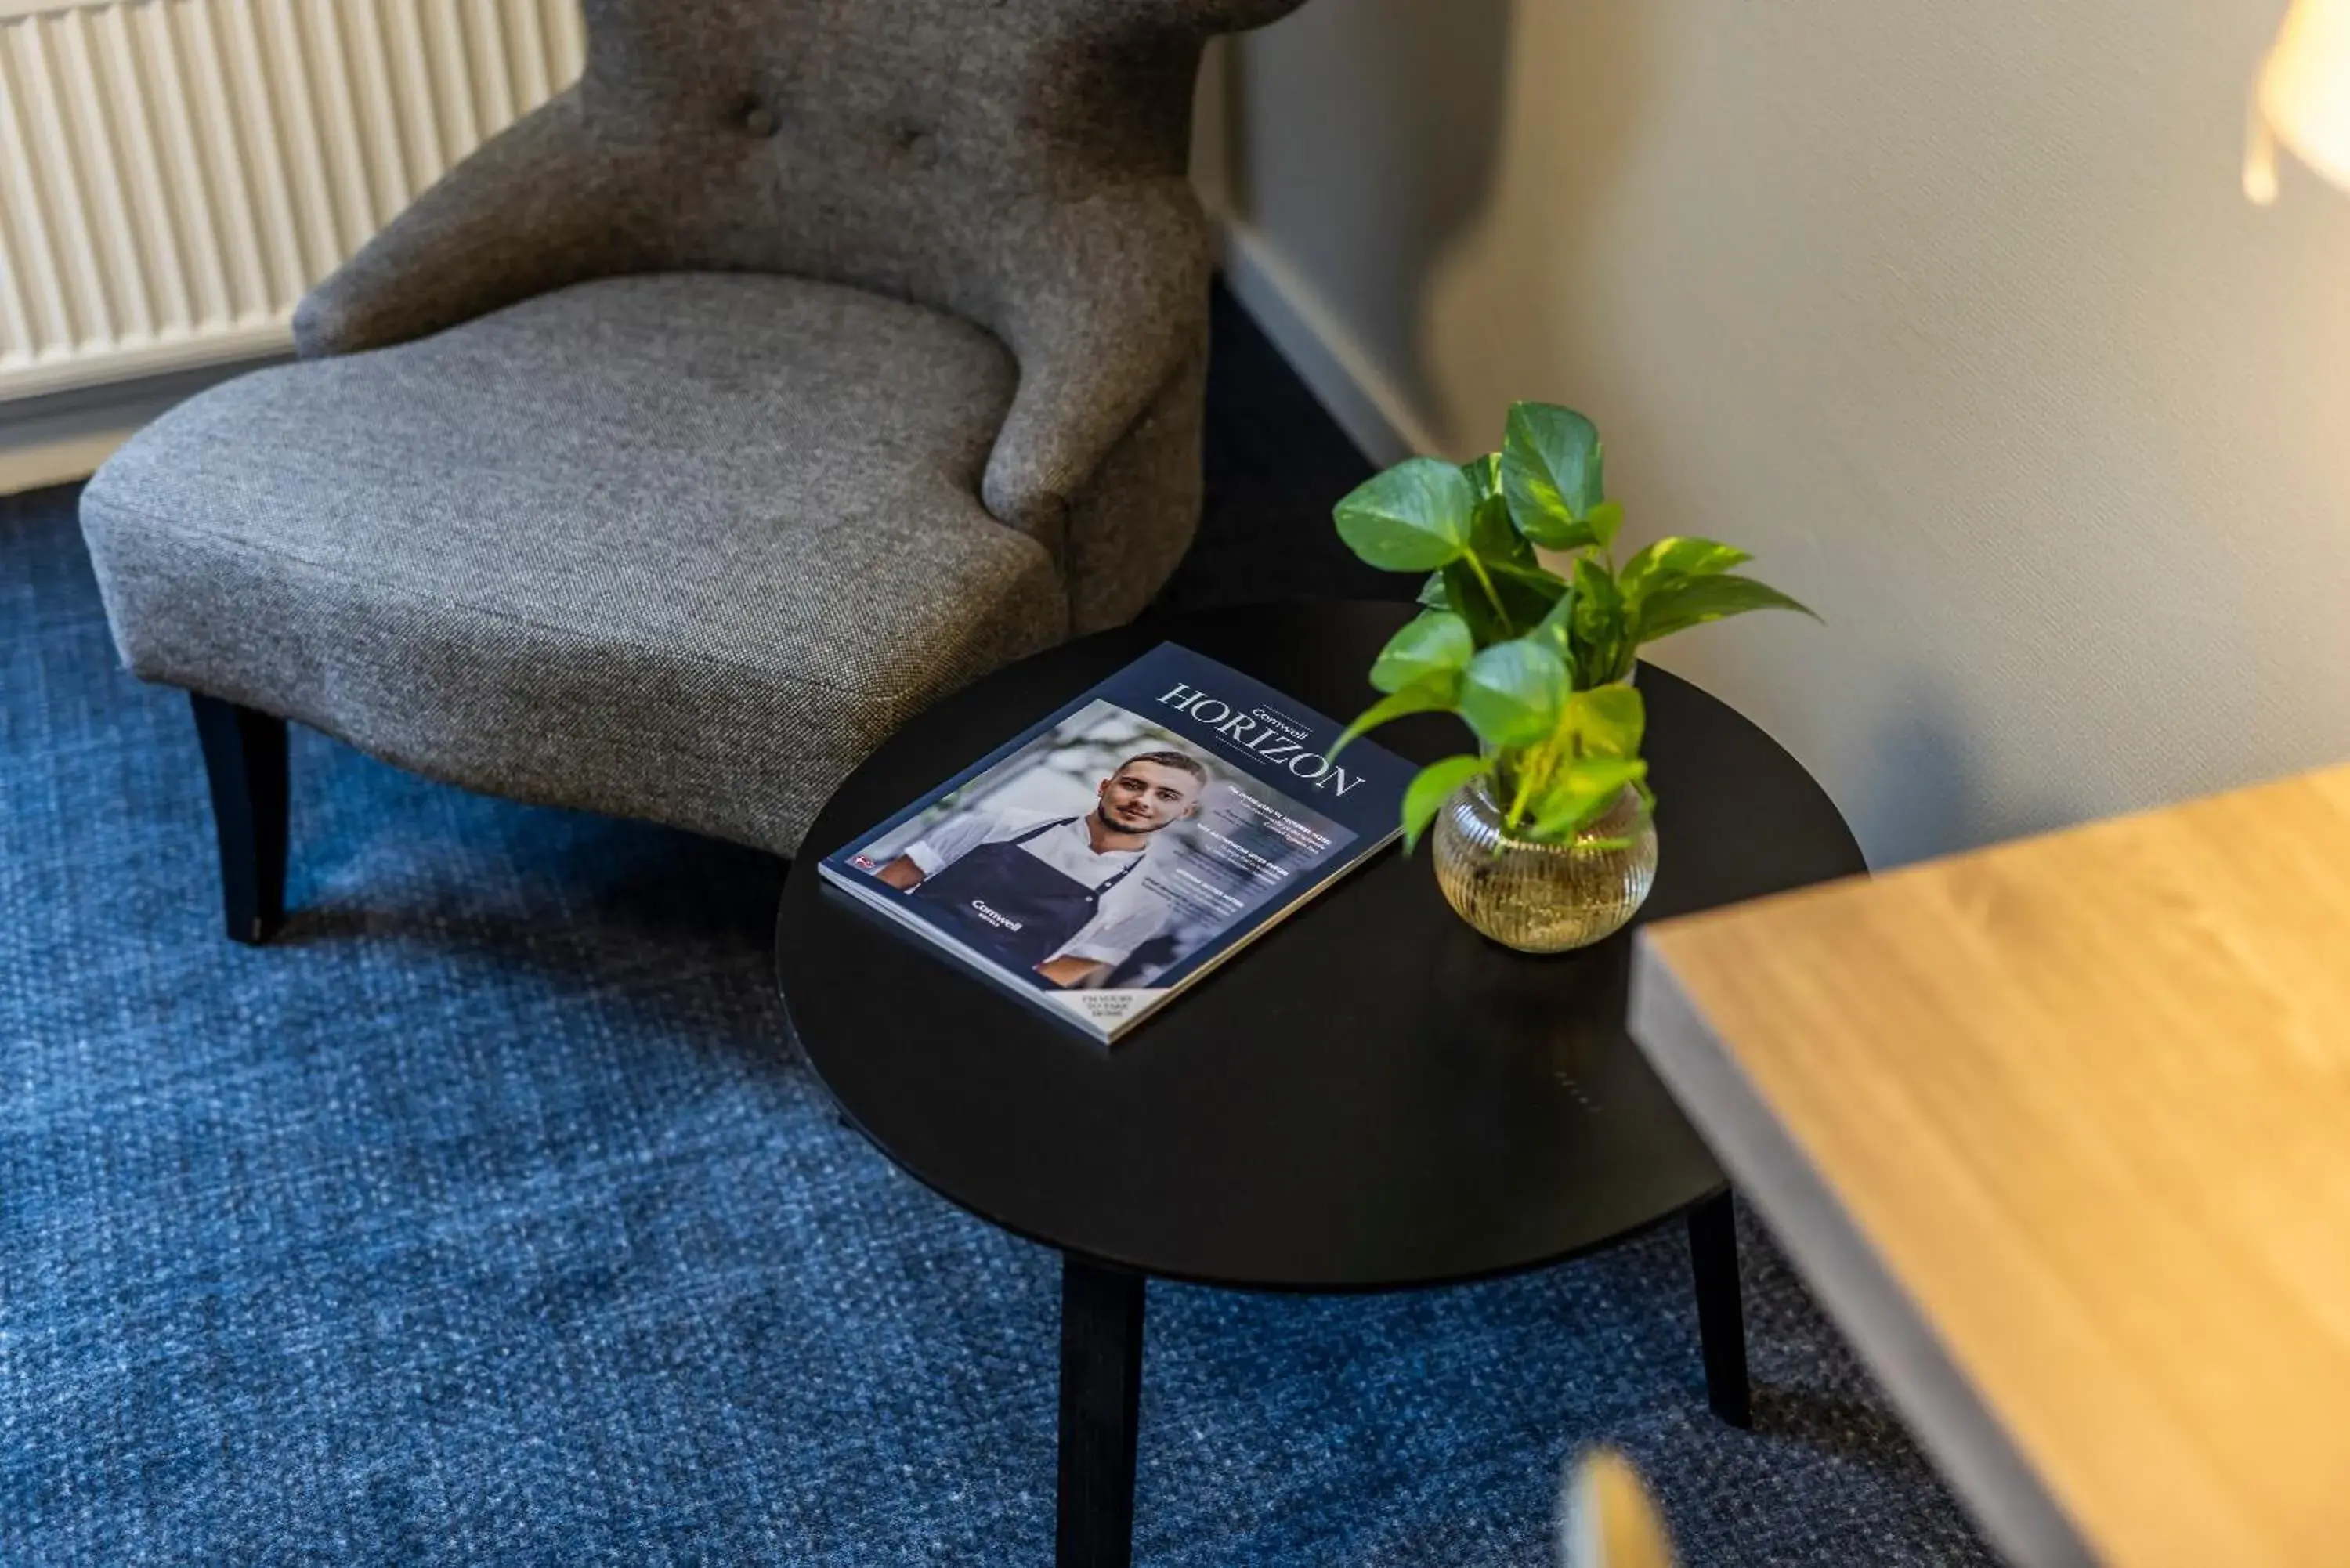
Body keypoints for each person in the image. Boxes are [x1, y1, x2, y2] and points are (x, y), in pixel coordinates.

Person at [866, 750, 1206, 988]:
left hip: (973, 988)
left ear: (1185, 812)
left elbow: (1055, 976)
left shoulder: (1150, 902)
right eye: (1132, 785)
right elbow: (888, 882)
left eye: (1166, 795)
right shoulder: (1003, 822)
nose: (1143, 801)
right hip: (887, 944)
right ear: (1105, 786)